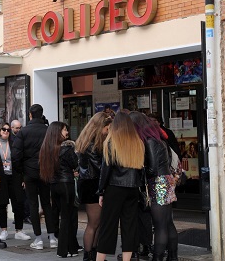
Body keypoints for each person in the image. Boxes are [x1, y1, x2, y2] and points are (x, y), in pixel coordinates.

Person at [96, 111, 144, 261]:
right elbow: (140, 169)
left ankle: (100, 259)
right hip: (132, 188)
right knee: (129, 226)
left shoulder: (111, 143)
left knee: (107, 226)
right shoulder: (138, 143)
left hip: (114, 187)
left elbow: (106, 170)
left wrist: (101, 191)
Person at [130, 112, 178, 261]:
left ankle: (157, 258)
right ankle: (172, 256)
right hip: (165, 180)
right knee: (167, 223)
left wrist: (140, 167)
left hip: (158, 183)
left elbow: (152, 168)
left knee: (160, 226)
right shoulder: (158, 138)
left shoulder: (150, 141)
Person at [12, 104, 56, 250]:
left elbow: (16, 155)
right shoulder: (48, 130)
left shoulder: (23, 132)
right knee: (47, 204)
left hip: (29, 172)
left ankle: (38, 239)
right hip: (45, 171)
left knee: (33, 204)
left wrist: (21, 172)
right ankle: (52, 237)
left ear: (30, 115)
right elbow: (54, 151)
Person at [75, 112, 112, 261]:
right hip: (92, 185)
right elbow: (100, 168)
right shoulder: (92, 144)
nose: (108, 131)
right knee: (94, 224)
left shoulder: (87, 141)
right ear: (100, 127)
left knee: (96, 223)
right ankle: (88, 256)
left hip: (89, 183)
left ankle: (93, 255)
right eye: (107, 128)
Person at [39, 122, 79, 258]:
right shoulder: (66, 149)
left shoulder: (46, 149)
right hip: (66, 184)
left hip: (53, 185)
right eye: (65, 130)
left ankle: (72, 248)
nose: (67, 132)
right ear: (58, 132)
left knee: (62, 216)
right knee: (67, 217)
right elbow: (75, 164)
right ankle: (63, 250)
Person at [0, 122, 30, 242]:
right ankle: (4, 230)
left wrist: (23, 178)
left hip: (15, 177)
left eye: (8, 130)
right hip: (0, 178)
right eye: (3, 129)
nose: (6, 131)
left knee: (18, 204)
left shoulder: (14, 143)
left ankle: (19, 230)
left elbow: (22, 160)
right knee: (1, 204)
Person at [10, 119, 31, 225]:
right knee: (16, 196)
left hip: (22, 170)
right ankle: (19, 215)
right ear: (12, 128)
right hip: (14, 171)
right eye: (17, 128)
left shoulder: (23, 137)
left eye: (20, 127)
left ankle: (26, 215)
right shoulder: (10, 140)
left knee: (25, 195)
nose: (19, 130)